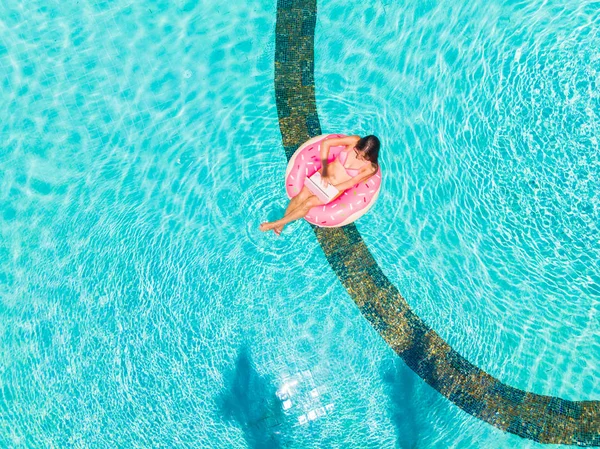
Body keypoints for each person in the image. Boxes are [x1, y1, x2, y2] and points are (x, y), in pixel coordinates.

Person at [259, 134, 380, 235]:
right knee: (300, 196)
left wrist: (332, 188)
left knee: (307, 203)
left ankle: (275, 224)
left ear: (371, 156)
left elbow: (351, 182)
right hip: (322, 174)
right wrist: (325, 169)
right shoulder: (354, 140)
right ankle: (281, 224)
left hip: (335, 188)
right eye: (357, 152)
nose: (358, 157)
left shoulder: (370, 168)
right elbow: (326, 144)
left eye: (363, 157)